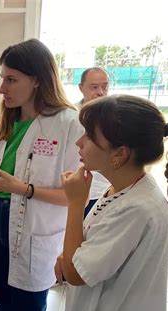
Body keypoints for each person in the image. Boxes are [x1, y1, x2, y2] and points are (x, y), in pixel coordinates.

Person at [0, 39, 83, 311]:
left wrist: (25, 190)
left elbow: (74, 196)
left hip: (35, 230)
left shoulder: (68, 123)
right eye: (2, 78)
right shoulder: (4, 119)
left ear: (38, 79)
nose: (2, 88)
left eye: (11, 79)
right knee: (4, 308)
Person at [57, 95, 168, 311]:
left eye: (88, 136)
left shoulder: (137, 208)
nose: (79, 142)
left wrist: (75, 204)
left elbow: (75, 274)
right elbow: (90, 247)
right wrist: (67, 255)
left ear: (119, 154)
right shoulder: (122, 189)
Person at [76, 67, 111, 216]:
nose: (100, 92)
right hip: (77, 187)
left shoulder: (114, 116)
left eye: (105, 86)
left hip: (104, 189)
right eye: (94, 87)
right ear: (81, 88)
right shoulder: (71, 116)